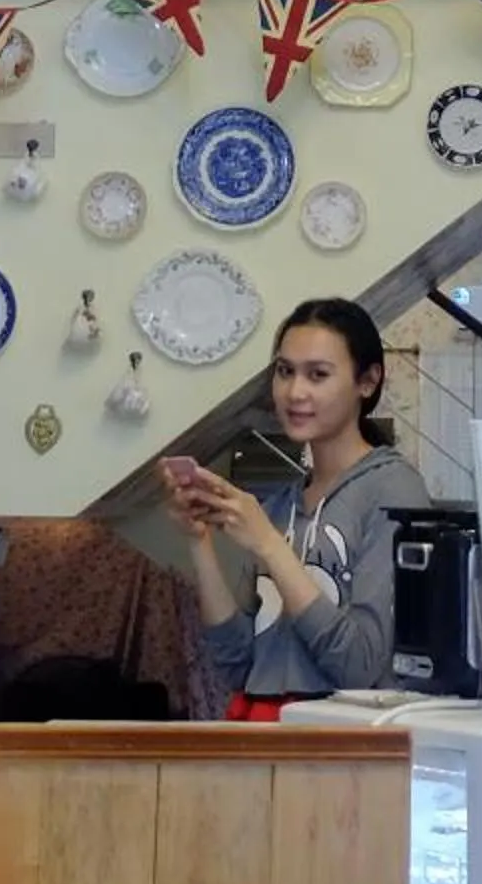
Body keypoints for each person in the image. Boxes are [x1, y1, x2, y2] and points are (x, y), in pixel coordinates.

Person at [162, 297, 429, 719]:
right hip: (262, 732)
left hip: (339, 744)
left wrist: (270, 546)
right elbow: (238, 666)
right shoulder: (280, 503)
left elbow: (359, 665)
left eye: (318, 375)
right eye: (285, 372)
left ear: (368, 381)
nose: (294, 392)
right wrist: (200, 544)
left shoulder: (394, 489)